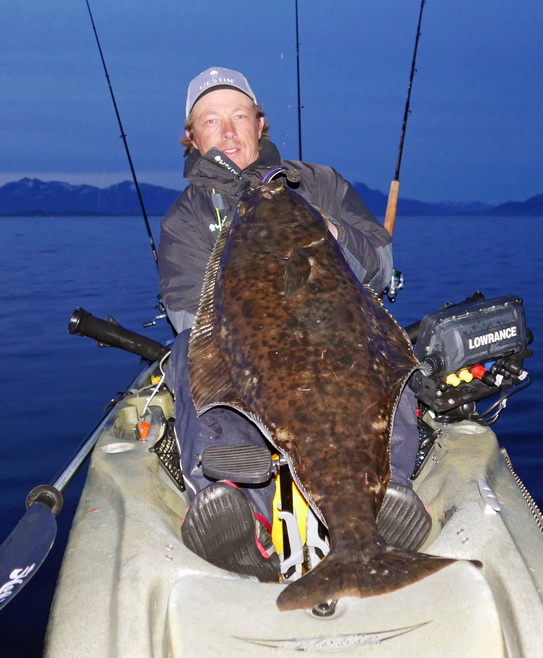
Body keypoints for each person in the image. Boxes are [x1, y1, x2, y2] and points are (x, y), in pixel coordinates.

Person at [159, 67, 428, 581]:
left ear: (260, 124)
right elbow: (189, 313)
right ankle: (245, 518)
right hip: (256, 357)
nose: (229, 131)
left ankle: (387, 498)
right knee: (188, 355)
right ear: (191, 139)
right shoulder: (186, 220)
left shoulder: (319, 183)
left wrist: (328, 232)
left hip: (340, 339)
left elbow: (380, 262)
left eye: (239, 116)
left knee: (388, 362)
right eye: (211, 121)